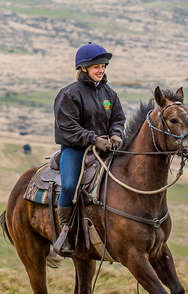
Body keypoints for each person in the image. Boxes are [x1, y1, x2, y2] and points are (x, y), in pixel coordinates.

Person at [53, 42, 125, 254]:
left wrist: (116, 135)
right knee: (68, 186)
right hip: (76, 149)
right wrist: (93, 139)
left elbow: (118, 118)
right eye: (96, 66)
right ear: (83, 68)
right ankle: (64, 233)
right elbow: (67, 127)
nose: (101, 70)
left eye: (103, 66)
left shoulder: (109, 93)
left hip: (107, 147)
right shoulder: (69, 94)